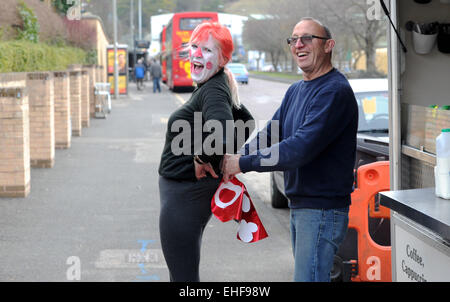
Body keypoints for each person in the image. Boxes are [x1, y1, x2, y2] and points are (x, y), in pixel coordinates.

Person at [221, 17, 358, 282]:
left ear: (328, 45)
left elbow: (299, 148)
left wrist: (243, 164)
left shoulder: (334, 92)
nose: (298, 45)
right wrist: (239, 158)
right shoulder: (296, 90)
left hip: (321, 211)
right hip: (303, 207)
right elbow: (271, 132)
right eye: (293, 40)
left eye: (307, 38)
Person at [158, 21, 254, 282]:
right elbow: (247, 122)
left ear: (223, 59)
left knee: (183, 276)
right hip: (186, 195)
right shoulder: (217, 83)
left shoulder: (212, 89)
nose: (198, 54)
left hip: (184, 196)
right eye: (195, 47)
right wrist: (221, 160)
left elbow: (223, 131)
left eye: (208, 50)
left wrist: (204, 157)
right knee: (185, 272)